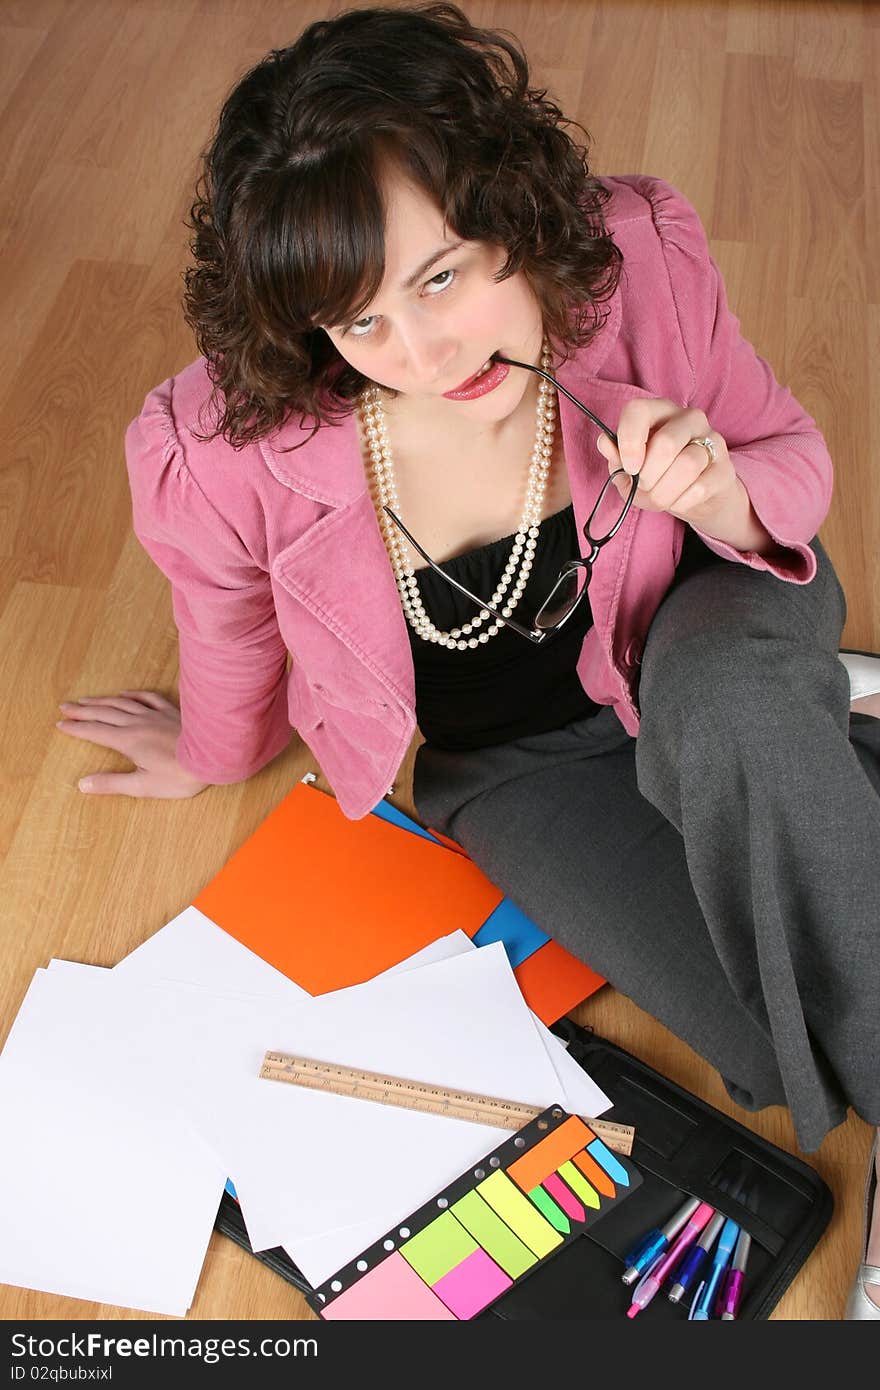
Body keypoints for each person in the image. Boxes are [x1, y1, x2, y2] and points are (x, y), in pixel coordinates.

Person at [55, 3, 879, 1318]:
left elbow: (789, 453)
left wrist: (717, 491)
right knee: (768, 1045)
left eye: (445, 275)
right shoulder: (217, 449)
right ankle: (830, 780)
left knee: (726, 712)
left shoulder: (634, 265)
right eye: (361, 321)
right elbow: (231, 624)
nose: (425, 354)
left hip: (702, 619)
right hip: (504, 762)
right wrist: (214, 745)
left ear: (512, 209)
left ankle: (786, 777)